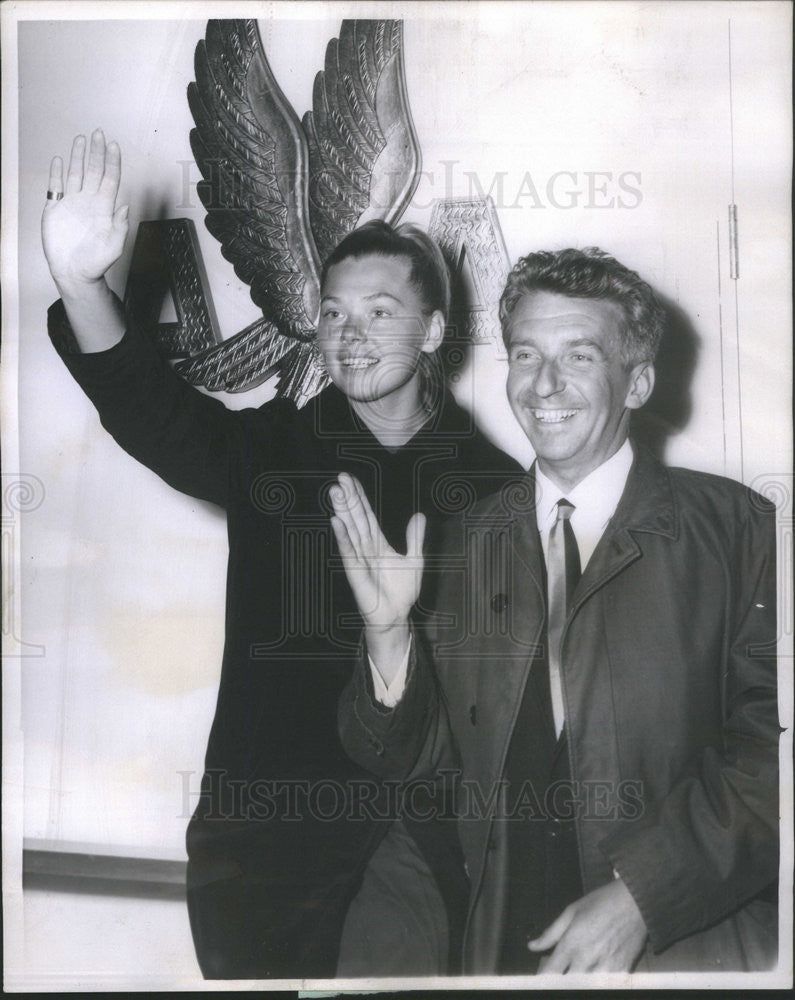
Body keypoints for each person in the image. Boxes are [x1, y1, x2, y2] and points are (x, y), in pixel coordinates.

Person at [41, 129, 522, 977]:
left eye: (380, 312)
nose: (350, 334)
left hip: (421, 860)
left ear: (435, 328)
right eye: (333, 313)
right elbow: (155, 413)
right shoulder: (276, 453)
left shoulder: (492, 491)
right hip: (263, 855)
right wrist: (83, 287)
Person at [331, 246, 780, 973]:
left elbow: (774, 753)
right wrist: (387, 640)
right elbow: (416, 770)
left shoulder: (738, 531)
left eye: (578, 357)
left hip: (675, 944)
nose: (543, 385)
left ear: (636, 382)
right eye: (525, 355)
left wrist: (643, 895)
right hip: (496, 941)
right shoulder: (456, 540)